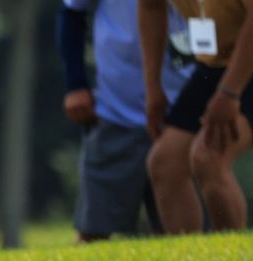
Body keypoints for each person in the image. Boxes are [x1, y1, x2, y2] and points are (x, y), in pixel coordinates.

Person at [58, 0, 191, 240]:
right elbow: (72, 12)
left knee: (187, 234)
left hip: (184, 108)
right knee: (93, 231)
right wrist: (75, 84)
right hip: (117, 108)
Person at [140, 0, 253, 232]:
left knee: (208, 157)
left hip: (245, 65)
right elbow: (150, 7)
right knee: (165, 162)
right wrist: (153, 89)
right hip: (214, 65)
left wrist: (229, 93)